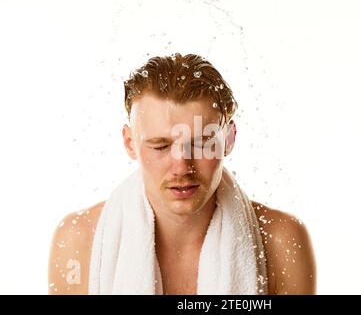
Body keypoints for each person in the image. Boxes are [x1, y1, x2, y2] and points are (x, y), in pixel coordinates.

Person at [48, 53, 316, 295]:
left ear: (229, 139)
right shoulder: (80, 239)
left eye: (201, 143)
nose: (181, 167)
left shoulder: (281, 241)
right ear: (130, 143)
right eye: (160, 146)